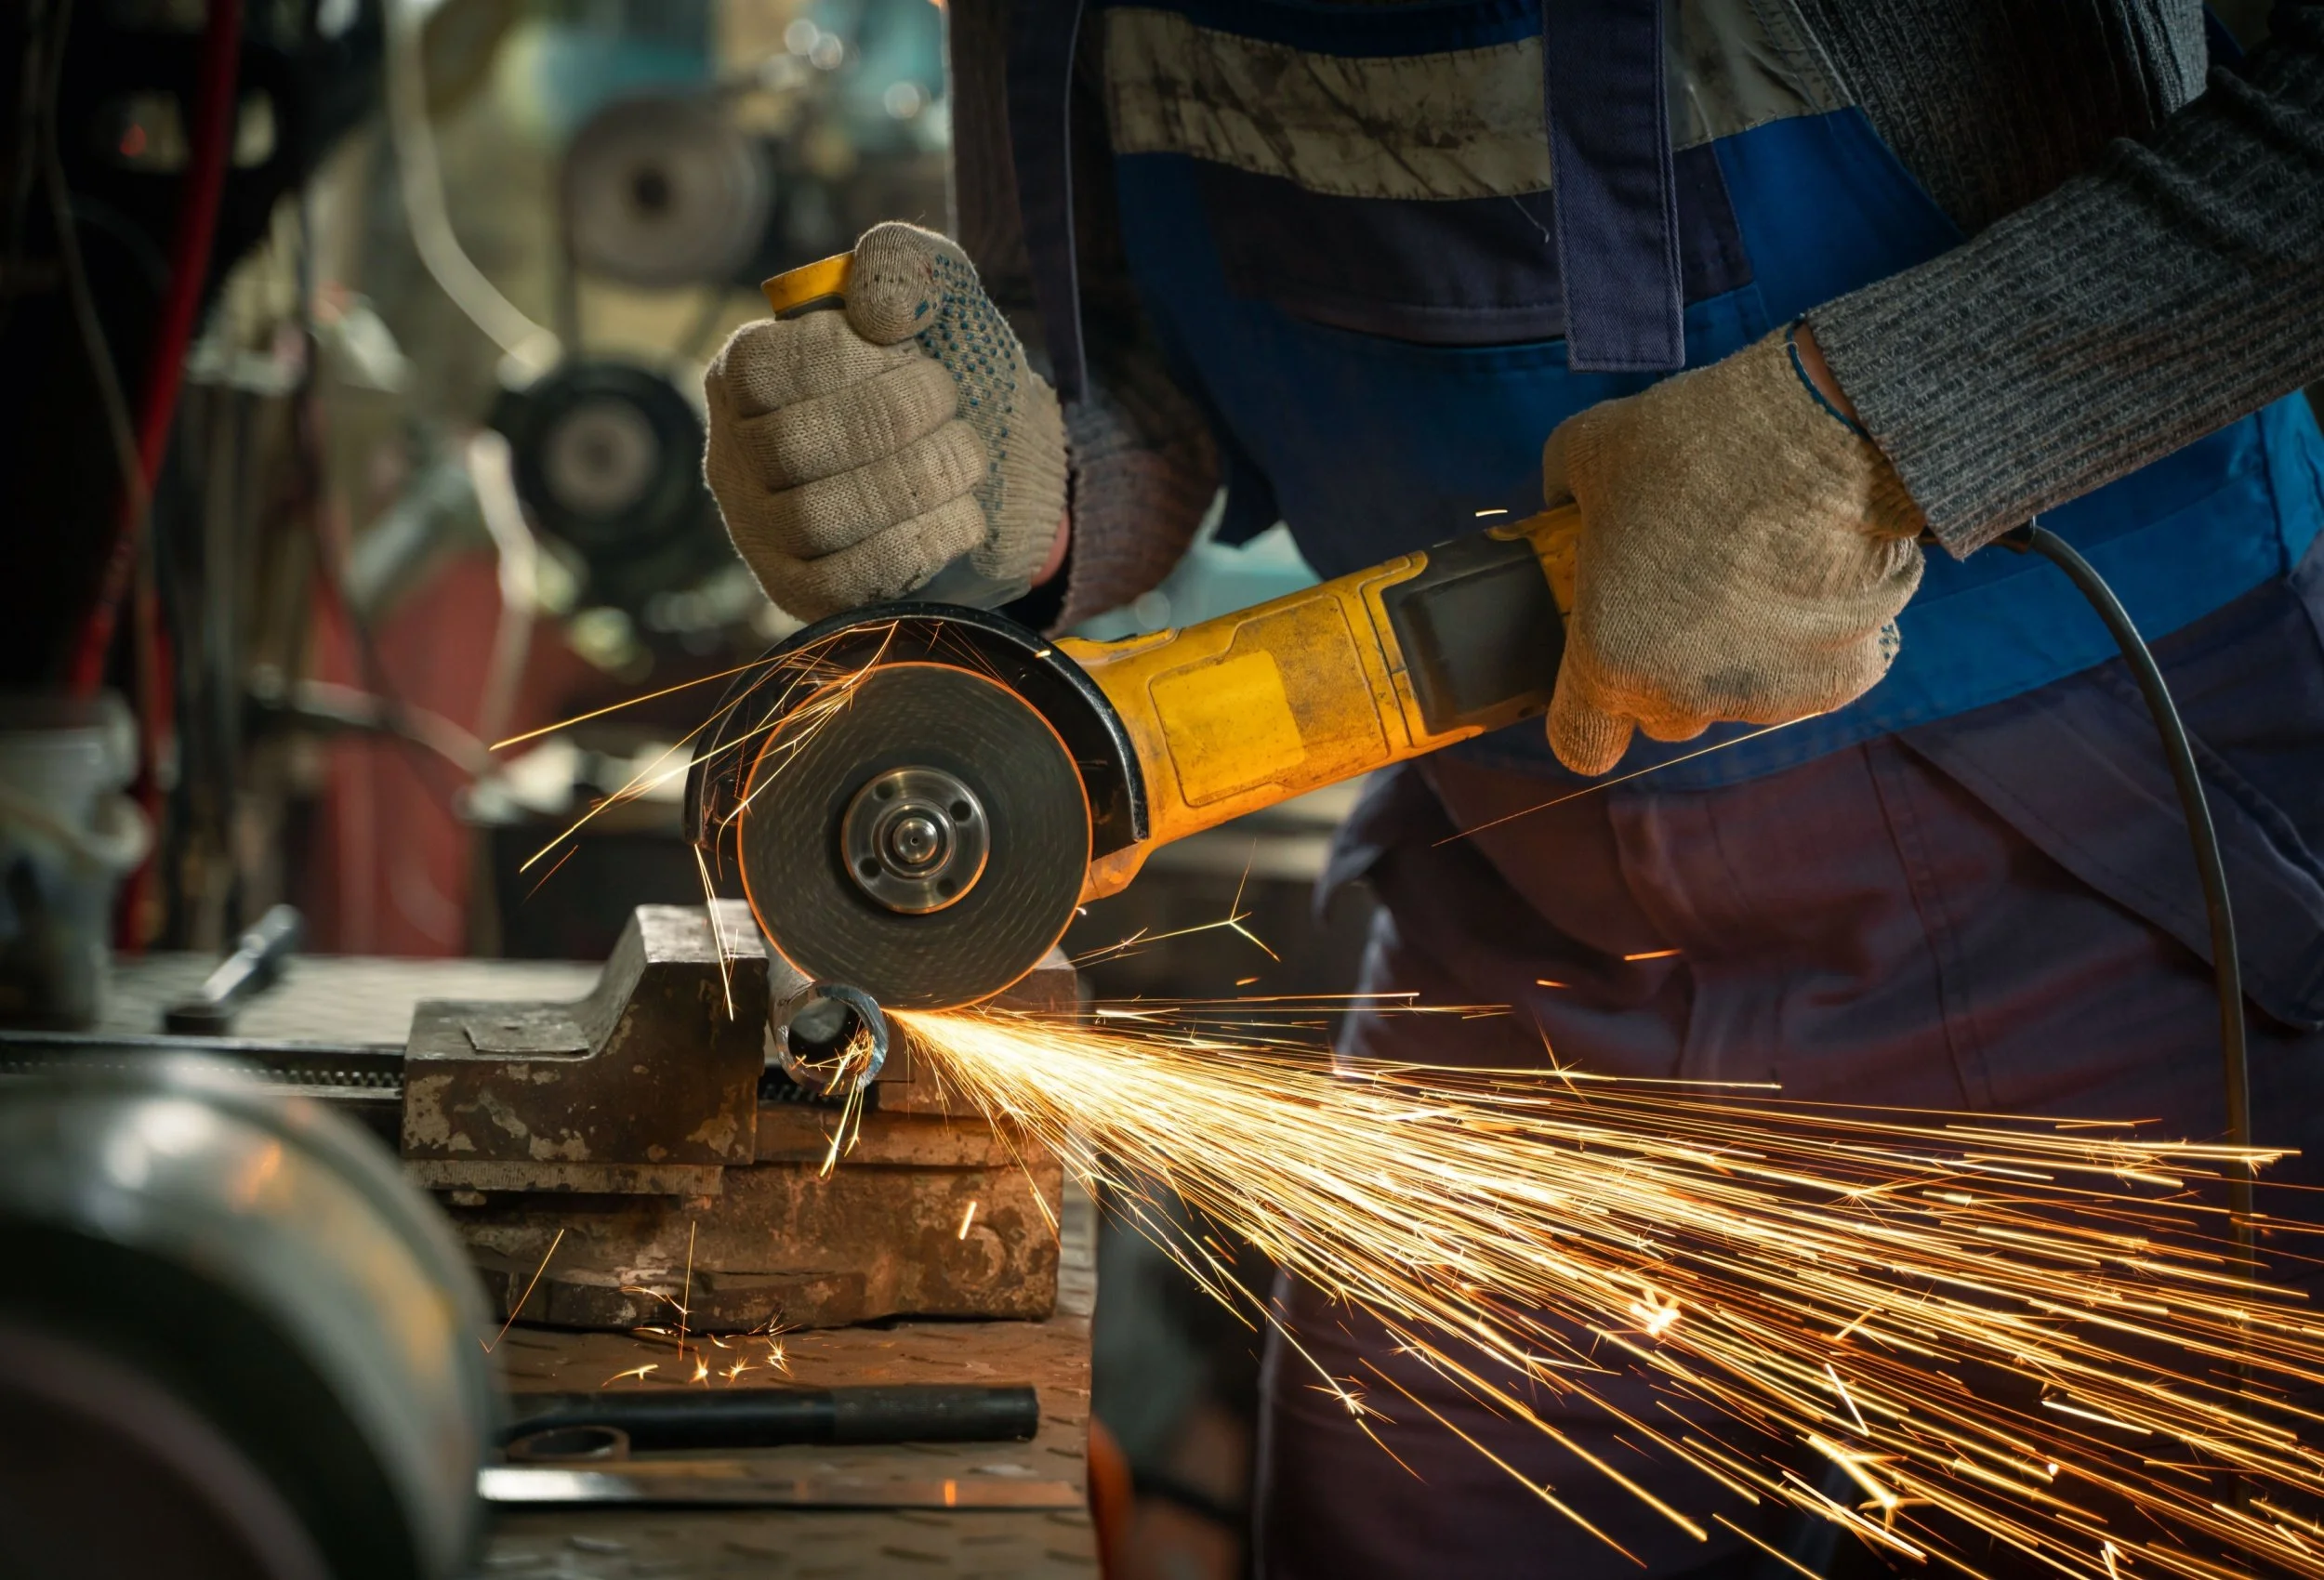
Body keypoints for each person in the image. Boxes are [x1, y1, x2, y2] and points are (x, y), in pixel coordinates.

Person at [701, 4, 2324, 1573]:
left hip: (2105, 869)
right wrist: (1026, 504)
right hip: (1525, 914)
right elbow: (1137, 372)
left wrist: (1869, 428)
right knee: (1385, 1523)